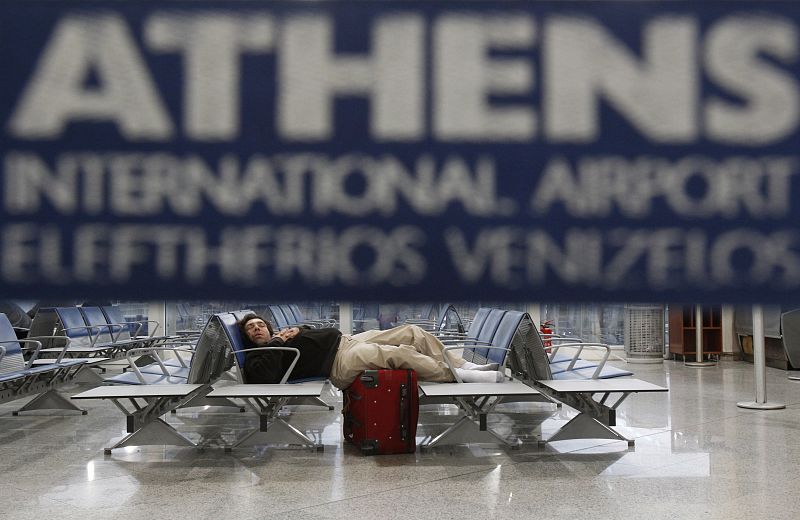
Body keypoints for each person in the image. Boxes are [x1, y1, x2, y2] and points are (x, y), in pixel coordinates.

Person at [237, 314, 504, 389]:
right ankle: (458, 375)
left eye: (261, 324)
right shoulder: (257, 356)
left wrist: (299, 328)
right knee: (399, 353)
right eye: (251, 328)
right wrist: (277, 342)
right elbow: (266, 378)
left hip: (347, 340)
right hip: (337, 364)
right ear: (247, 336)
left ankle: (465, 365)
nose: (257, 328)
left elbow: (310, 334)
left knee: (412, 332)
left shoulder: (282, 337)